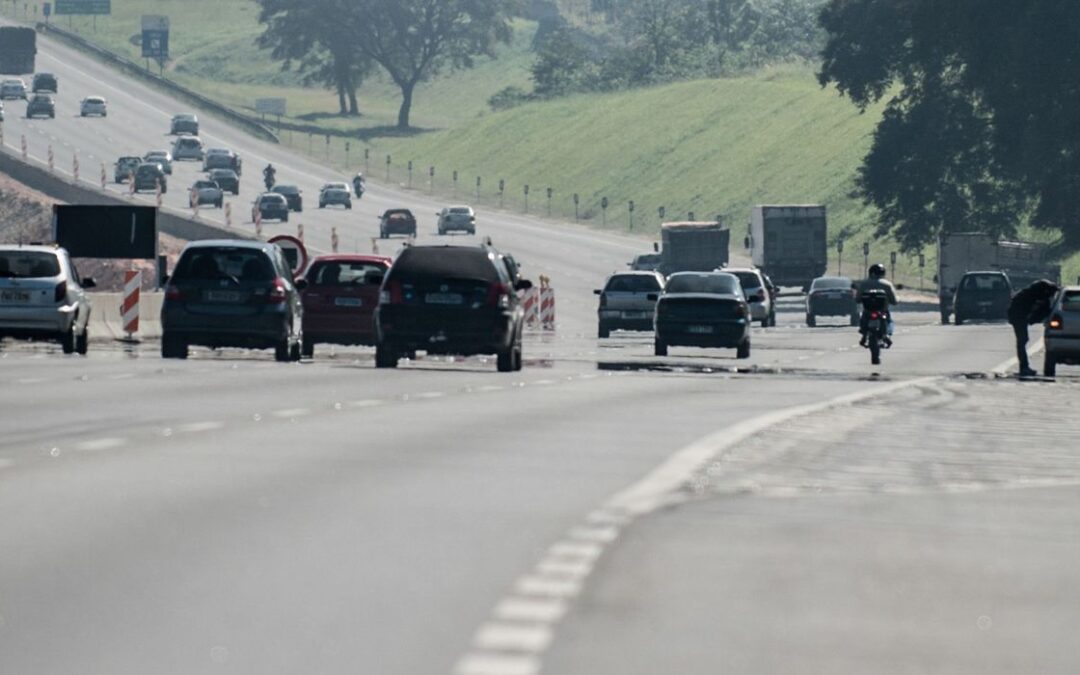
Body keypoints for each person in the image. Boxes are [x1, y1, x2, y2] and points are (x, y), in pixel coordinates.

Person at [1007, 279, 1059, 377]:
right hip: (1018, 318)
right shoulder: (1030, 297)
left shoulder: (1031, 295)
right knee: (1022, 341)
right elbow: (1036, 312)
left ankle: (1024, 367)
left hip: (1018, 317)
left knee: (1022, 341)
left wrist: (1032, 319)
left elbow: (1039, 313)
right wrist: (1031, 319)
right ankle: (1024, 367)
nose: (1051, 296)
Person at [855, 263, 898, 347]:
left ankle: (864, 334)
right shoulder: (887, 284)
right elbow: (894, 301)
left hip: (868, 311)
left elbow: (858, 299)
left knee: (863, 319)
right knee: (889, 322)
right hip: (883, 311)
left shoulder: (864, 284)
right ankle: (887, 334)